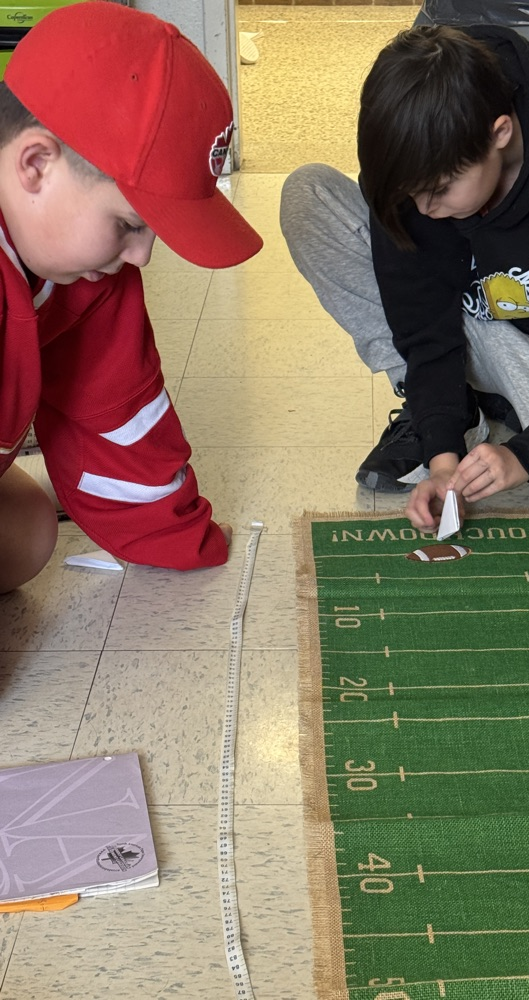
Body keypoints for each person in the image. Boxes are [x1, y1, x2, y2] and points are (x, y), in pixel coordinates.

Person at [280, 24, 529, 539]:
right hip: (463, 323)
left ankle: (507, 403)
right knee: (308, 194)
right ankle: (454, 408)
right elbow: (420, 319)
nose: (424, 210)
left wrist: (528, 452)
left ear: (500, 133)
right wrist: (442, 457)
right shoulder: (415, 163)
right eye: (412, 194)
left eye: (441, 190)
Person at [0, 2, 263, 593]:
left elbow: (116, 409)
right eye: (128, 224)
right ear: (36, 165)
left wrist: (184, 541)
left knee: (29, 533)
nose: (143, 256)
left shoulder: (84, 272)